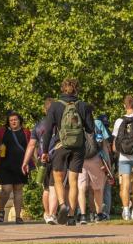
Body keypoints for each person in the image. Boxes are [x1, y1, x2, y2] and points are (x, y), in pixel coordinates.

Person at [40, 78, 96, 226]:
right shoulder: (83, 106)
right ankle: (71, 216)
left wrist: (45, 150)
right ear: (77, 89)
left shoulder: (55, 106)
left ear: (62, 89)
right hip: (78, 147)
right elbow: (91, 129)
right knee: (73, 181)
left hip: (60, 145)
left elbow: (47, 132)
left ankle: (62, 204)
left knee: (58, 179)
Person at [23, 98, 57, 224]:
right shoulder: (58, 123)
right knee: (54, 187)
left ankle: (47, 213)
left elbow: (31, 145)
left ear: (44, 110)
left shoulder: (38, 125)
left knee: (46, 188)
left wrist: (25, 162)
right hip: (56, 157)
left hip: (42, 159)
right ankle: (52, 215)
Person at [0, 112, 31, 223]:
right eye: (11, 120)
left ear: (20, 120)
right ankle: (1, 210)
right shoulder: (2, 131)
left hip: (21, 165)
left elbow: (31, 146)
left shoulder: (26, 132)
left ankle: (18, 216)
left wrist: (30, 162)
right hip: (5, 165)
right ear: (8, 122)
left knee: (18, 190)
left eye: (15, 119)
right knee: (6, 190)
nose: (13, 121)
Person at [77, 116, 110, 223]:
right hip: (96, 158)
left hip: (80, 159)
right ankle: (99, 214)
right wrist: (108, 163)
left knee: (81, 188)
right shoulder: (98, 123)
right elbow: (104, 145)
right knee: (97, 188)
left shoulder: (76, 122)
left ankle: (82, 215)